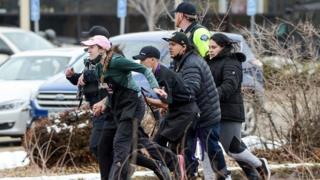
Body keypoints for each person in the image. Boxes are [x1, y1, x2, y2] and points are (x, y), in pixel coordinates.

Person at [83, 35, 167, 180]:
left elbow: (144, 70)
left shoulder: (116, 61)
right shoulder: (97, 68)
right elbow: (112, 91)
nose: (88, 50)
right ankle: (159, 163)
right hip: (117, 108)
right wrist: (103, 103)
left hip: (132, 106)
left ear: (102, 49)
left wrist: (155, 87)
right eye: (87, 48)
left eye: (91, 47)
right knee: (107, 146)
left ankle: (166, 161)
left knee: (121, 146)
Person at [162, 32, 230, 179]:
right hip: (192, 116)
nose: (170, 48)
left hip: (206, 116)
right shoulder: (180, 61)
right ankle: (190, 175)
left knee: (211, 149)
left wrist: (168, 97)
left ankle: (224, 176)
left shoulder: (191, 63)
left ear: (184, 47)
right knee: (187, 149)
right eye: (169, 45)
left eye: (173, 45)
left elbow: (189, 91)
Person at [206, 33, 271, 180]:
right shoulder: (210, 61)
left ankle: (260, 164)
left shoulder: (232, 61)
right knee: (233, 148)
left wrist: (211, 94)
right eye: (209, 47)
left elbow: (230, 85)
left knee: (232, 148)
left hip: (230, 112)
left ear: (223, 47)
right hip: (214, 111)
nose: (210, 50)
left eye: (214, 47)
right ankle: (253, 176)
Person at [133, 45, 201, 179]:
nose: (141, 63)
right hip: (175, 113)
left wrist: (148, 100)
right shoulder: (155, 74)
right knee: (159, 145)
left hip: (185, 114)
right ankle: (177, 171)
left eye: (143, 60)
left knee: (166, 146)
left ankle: (184, 172)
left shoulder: (164, 75)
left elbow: (165, 103)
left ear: (153, 60)